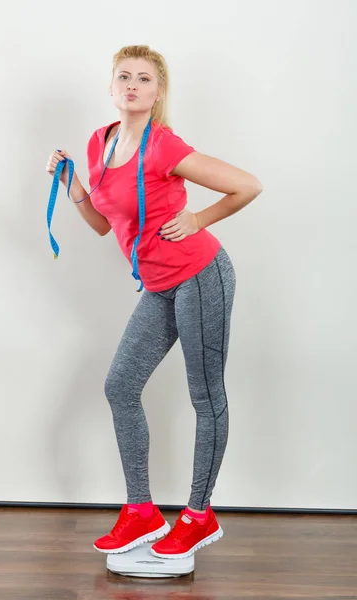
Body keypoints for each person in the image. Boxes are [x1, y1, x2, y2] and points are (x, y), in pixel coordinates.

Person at [46, 44, 263, 559]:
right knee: (120, 386)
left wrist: (197, 220)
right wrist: (72, 184)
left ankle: (198, 516)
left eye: (144, 79)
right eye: (124, 76)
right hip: (161, 285)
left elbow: (247, 185)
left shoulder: (164, 146)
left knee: (204, 396)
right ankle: (141, 511)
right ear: (112, 85)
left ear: (157, 92)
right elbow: (104, 225)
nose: (133, 86)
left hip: (200, 275)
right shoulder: (100, 142)